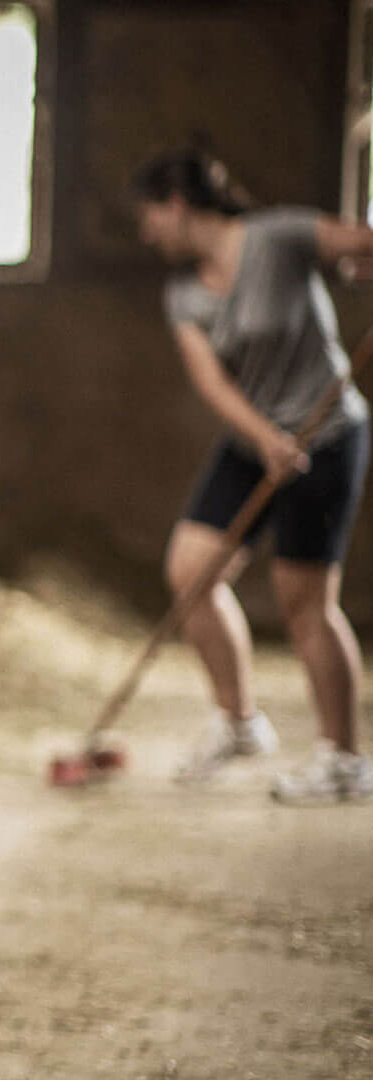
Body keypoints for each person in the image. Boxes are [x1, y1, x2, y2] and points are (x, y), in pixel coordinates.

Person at [133, 145, 373, 801]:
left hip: (326, 438)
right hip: (256, 439)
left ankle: (345, 759)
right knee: (191, 571)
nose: (145, 230)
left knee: (305, 604)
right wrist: (266, 439)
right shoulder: (184, 293)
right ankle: (239, 722)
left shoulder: (280, 236)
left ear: (178, 205)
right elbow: (211, 381)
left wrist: (365, 263)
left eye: (150, 214)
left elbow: (361, 242)